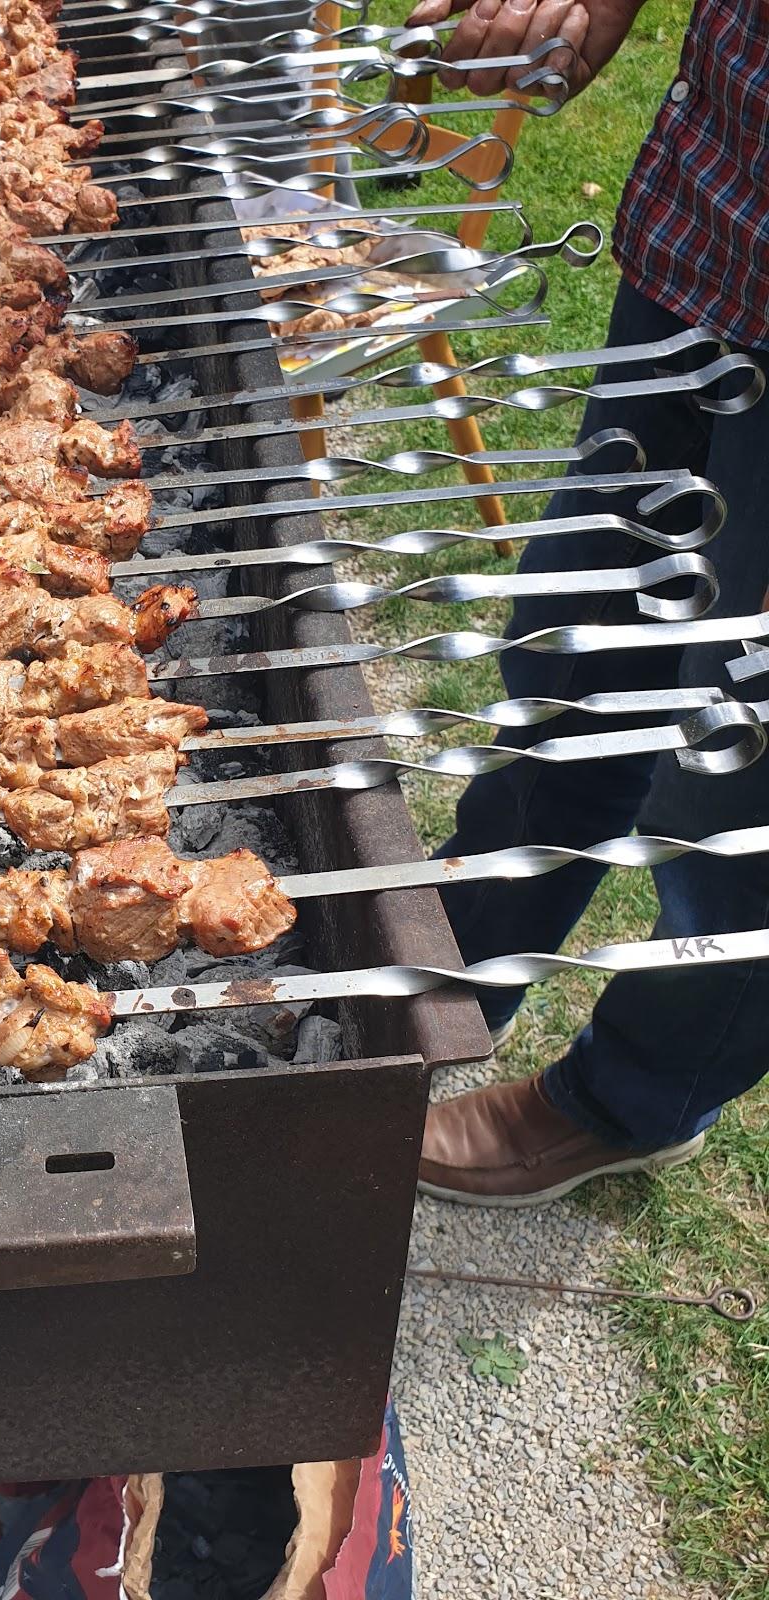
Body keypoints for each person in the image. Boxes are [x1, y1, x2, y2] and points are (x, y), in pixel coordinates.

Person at [394, 0, 769, 1204]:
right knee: (573, 649)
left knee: (740, 787)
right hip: (717, 234)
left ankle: (633, 1098)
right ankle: (462, 962)